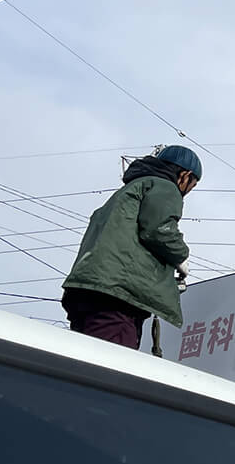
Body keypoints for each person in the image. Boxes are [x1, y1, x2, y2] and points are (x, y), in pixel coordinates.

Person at [61, 145, 199, 349]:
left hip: (88, 290)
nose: (187, 192)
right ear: (184, 176)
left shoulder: (128, 191)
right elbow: (160, 229)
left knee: (80, 365)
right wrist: (181, 256)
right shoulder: (164, 187)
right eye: (192, 185)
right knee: (108, 368)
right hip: (117, 295)